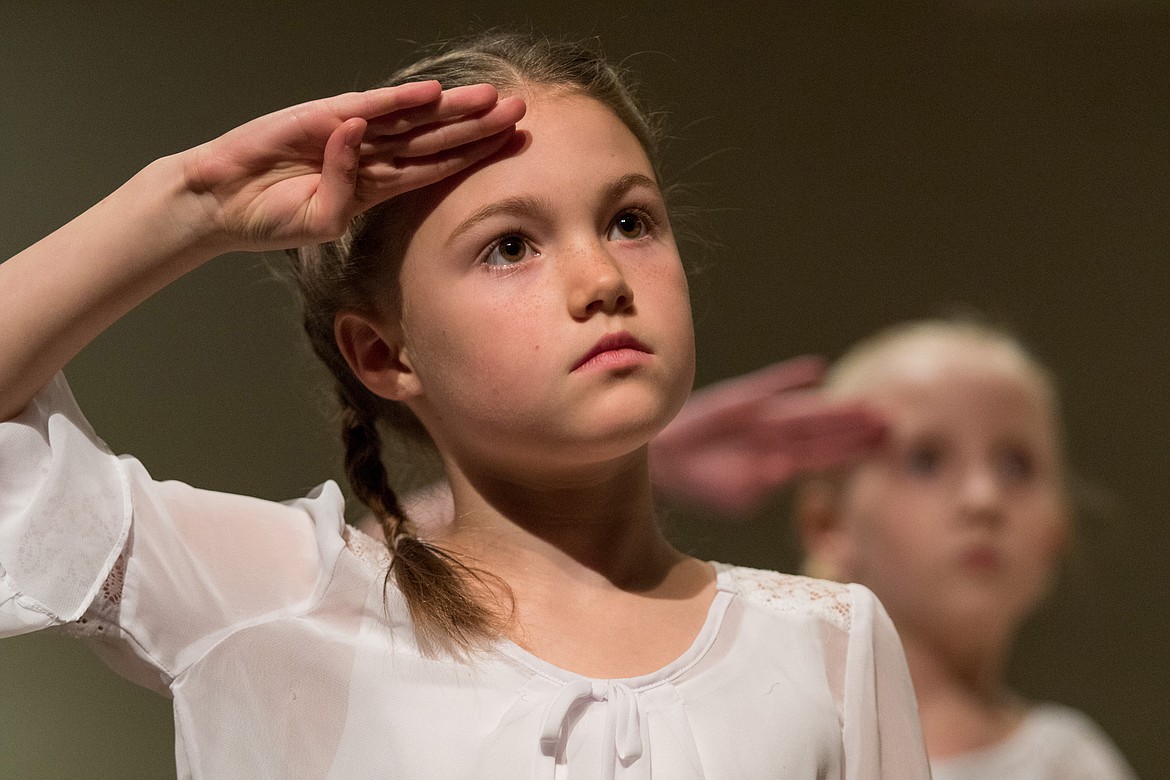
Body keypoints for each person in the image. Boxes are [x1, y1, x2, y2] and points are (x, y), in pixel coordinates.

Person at [0, 32, 930, 778]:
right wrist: (192, 200)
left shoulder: (827, 644)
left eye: (630, 221)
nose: (602, 277)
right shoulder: (276, 598)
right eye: (510, 247)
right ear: (384, 352)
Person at [657, 319, 1138, 779]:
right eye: (926, 460)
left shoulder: (1071, 763)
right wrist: (640, 464)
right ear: (827, 524)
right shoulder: (770, 741)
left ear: (1057, 530)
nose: (983, 499)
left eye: (1016, 467)